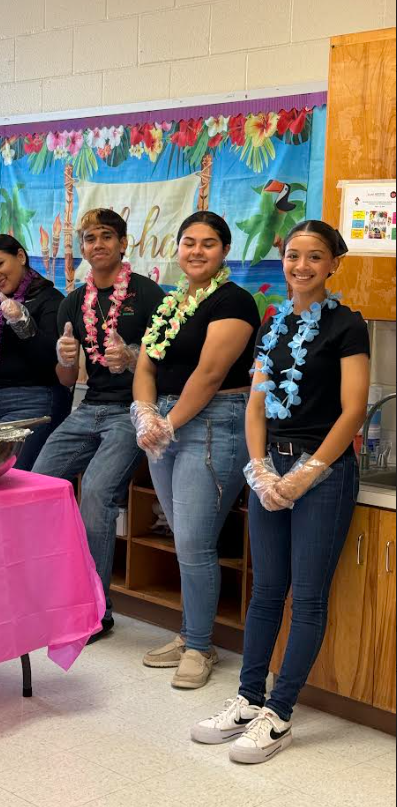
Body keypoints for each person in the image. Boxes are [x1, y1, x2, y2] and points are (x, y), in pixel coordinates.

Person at [192, 220, 370, 764]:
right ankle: (248, 699)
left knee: (307, 596)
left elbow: (354, 409)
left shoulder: (348, 325)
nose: (301, 266)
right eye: (293, 255)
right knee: (266, 590)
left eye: (315, 257)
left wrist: (308, 471)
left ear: (334, 264)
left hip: (324, 473)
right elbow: (255, 403)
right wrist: (260, 469)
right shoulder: (274, 322)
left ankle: (281, 713)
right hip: (272, 466)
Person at [132, 211, 260, 689]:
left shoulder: (235, 302)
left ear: (225, 251)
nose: (197, 251)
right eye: (189, 242)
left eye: (208, 243)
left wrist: (168, 422)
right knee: (182, 539)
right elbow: (145, 364)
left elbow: (209, 374)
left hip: (212, 423)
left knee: (194, 541)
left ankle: (201, 645)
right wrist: (146, 415)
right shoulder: (170, 304)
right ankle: (189, 635)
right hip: (164, 421)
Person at [32, 208, 164, 641]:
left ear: (124, 243)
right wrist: (65, 359)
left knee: (97, 498)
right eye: (89, 238)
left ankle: (96, 611)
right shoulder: (73, 301)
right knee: (36, 486)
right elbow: (67, 380)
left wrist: (131, 358)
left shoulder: (148, 296)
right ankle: (47, 594)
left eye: (107, 236)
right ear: (83, 247)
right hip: (88, 407)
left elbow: (168, 366)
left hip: (133, 409)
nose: (98, 245)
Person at [0, 234, 72, 471]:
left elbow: (51, 361)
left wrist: (24, 324)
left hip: (31, 401)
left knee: (14, 478)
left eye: (0, 264)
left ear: (20, 257)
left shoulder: (50, 300)